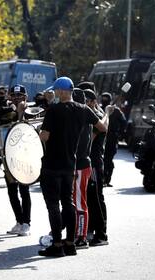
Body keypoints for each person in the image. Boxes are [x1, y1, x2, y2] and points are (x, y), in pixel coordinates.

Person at [38, 77, 111, 257]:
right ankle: (70, 244)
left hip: (52, 164)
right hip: (71, 165)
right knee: (68, 203)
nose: (55, 94)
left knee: (53, 205)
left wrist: (40, 130)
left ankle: (56, 245)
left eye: (56, 91)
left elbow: (44, 137)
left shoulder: (53, 110)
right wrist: (104, 117)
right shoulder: (83, 109)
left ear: (62, 91)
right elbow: (102, 127)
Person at [1, 85, 32, 236]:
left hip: (24, 157)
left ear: (25, 97)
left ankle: (26, 223)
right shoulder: (6, 110)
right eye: (14, 95)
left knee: (24, 191)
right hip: (8, 156)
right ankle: (19, 221)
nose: (17, 98)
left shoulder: (31, 110)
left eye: (20, 96)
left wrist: (21, 112)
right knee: (12, 191)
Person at [84, 88, 109, 247]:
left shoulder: (96, 117)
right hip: (91, 161)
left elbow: (89, 141)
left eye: (87, 100)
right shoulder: (96, 115)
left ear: (93, 102)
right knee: (91, 197)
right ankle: (92, 228)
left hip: (93, 162)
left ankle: (101, 234)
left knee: (95, 198)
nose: (84, 103)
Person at [71, 88, 92, 249]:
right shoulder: (85, 115)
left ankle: (81, 237)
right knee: (75, 201)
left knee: (80, 203)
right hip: (80, 165)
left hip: (80, 166)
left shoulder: (80, 118)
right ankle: (76, 233)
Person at [100, 92, 127, 187]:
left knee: (108, 159)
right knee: (99, 159)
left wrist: (119, 134)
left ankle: (106, 179)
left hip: (111, 138)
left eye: (106, 98)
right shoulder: (100, 109)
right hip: (100, 138)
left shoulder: (116, 111)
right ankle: (99, 178)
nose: (104, 100)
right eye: (103, 98)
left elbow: (124, 123)